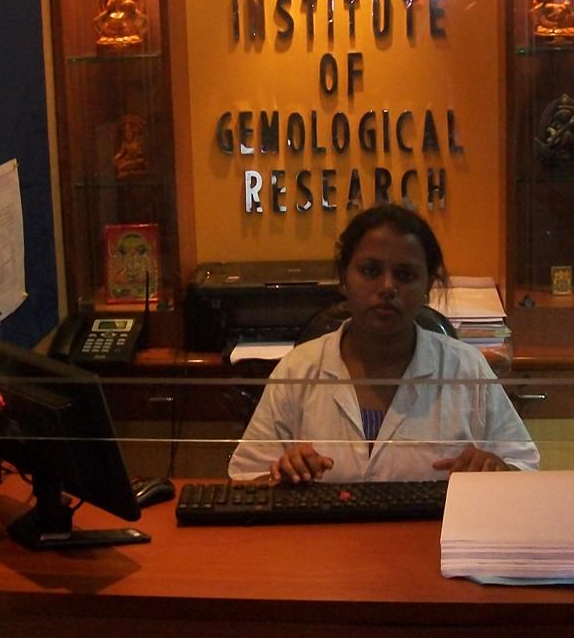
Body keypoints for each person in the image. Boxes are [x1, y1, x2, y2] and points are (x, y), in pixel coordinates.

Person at [227, 204, 539, 483]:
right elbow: (245, 478)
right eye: (370, 271)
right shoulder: (299, 368)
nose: (388, 287)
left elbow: (525, 470)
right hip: (325, 532)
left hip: (434, 531)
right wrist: (281, 475)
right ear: (343, 279)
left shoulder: (465, 368)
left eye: (405, 274)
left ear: (428, 287)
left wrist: (496, 469)